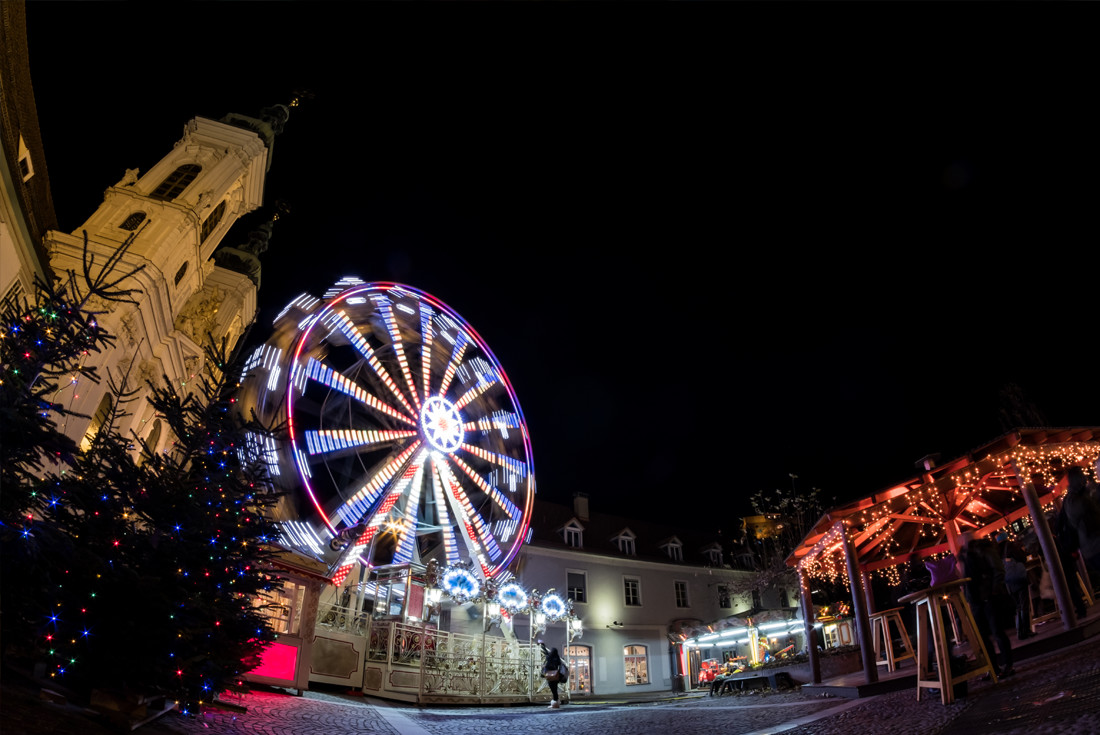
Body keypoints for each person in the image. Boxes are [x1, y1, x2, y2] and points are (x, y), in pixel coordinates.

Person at [959, 531, 1015, 677]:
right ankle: (993, 666)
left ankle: (1007, 664)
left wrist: (994, 590)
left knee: (997, 632)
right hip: (976, 599)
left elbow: (998, 569)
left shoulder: (983, 549)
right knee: (983, 636)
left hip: (988, 596)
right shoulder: (964, 554)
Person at [1001, 535, 1033, 639]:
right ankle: (1026, 630)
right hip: (1018, 579)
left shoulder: (997, 551)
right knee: (1024, 604)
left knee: (1018, 606)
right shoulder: (1010, 546)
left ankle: (1019, 631)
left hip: (1008, 582)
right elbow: (1022, 558)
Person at [538, 640, 563, 709]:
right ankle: (556, 702)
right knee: (555, 689)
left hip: (550, 675)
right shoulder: (557, 658)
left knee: (553, 690)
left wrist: (543, 645)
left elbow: (546, 653)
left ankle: (555, 703)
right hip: (556, 676)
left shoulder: (550, 658)